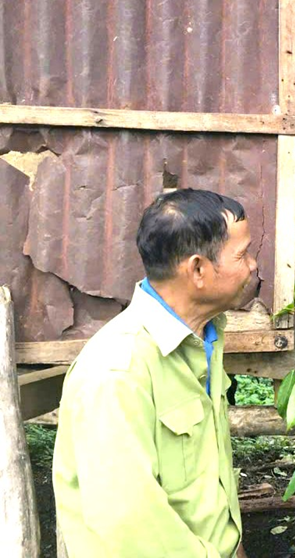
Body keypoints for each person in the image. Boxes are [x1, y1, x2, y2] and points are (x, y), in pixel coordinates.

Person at [53, 189, 256, 558]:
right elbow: (128, 525)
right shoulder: (117, 371)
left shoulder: (203, 337)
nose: (253, 266)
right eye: (241, 255)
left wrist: (233, 544)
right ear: (197, 269)